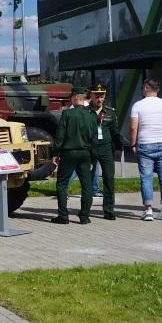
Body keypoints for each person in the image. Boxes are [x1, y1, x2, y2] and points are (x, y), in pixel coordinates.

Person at [128, 78, 162, 221]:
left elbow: (133, 127)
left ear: (146, 88)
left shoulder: (138, 105)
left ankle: (148, 210)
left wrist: (132, 144)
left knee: (146, 177)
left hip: (145, 144)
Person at [51, 89, 97, 224]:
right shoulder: (92, 115)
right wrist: (93, 157)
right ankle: (84, 216)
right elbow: (95, 138)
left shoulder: (67, 114)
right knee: (87, 185)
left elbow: (60, 135)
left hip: (69, 152)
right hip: (85, 153)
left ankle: (63, 216)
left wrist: (56, 153)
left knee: (62, 184)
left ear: (75, 98)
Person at [89, 82, 123, 220]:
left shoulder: (110, 112)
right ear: (91, 96)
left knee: (109, 179)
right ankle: (86, 210)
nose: (99, 99)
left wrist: (119, 147)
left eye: (101, 96)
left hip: (106, 149)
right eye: (96, 96)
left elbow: (115, 132)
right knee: (88, 180)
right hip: (90, 149)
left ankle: (108, 210)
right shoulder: (86, 112)